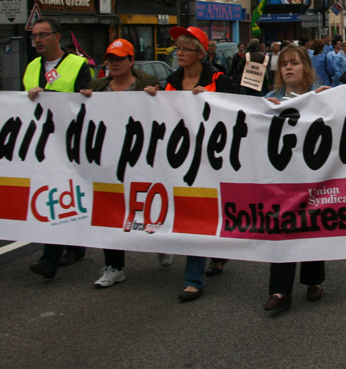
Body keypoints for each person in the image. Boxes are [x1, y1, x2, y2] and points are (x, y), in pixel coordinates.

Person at [79, 38, 173, 289]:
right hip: (108, 162)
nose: (115, 63)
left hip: (141, 158)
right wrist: (83, 99)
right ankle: (115, 266)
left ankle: (161, 243)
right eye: (111, 58)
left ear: (131, 61)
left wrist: (155, 97)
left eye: (120, 58)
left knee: (145, 205)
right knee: (109, 210)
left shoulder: (146, 85)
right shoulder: (97, 87)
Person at [149, 25, 233, 301]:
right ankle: (198, 273)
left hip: (213, 156)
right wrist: (149, 97)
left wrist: (211, 101)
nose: (179, 53)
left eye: (185, 48)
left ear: (199, 54)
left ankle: (201, 270)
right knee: (195, 212)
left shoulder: (217, 78)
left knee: (207, 210)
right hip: (181, 158)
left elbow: (235, 113)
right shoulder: (171, 82)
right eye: (177, 48)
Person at [261, 45, 330, 313]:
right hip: (281, 176)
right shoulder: (269, 98)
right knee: (282, 227)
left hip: (312, 174)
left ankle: (314, 281)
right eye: (284, 64)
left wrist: (331, 99)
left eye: (295, 63)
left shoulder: (321, 96)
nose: (289, 67)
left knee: (312, 225)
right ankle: (279, 291)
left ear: (306, 69)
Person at [25, 18, 93, 280]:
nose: (38, 40)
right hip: (43, 142)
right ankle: (73, 247)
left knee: (61, 193)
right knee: (59, 193)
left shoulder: (77, 64)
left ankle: (49, 259)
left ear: (56, 37)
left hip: (72, 141)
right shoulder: (31, 67)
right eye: (34, 36)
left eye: (42, 35)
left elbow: (83, 97)